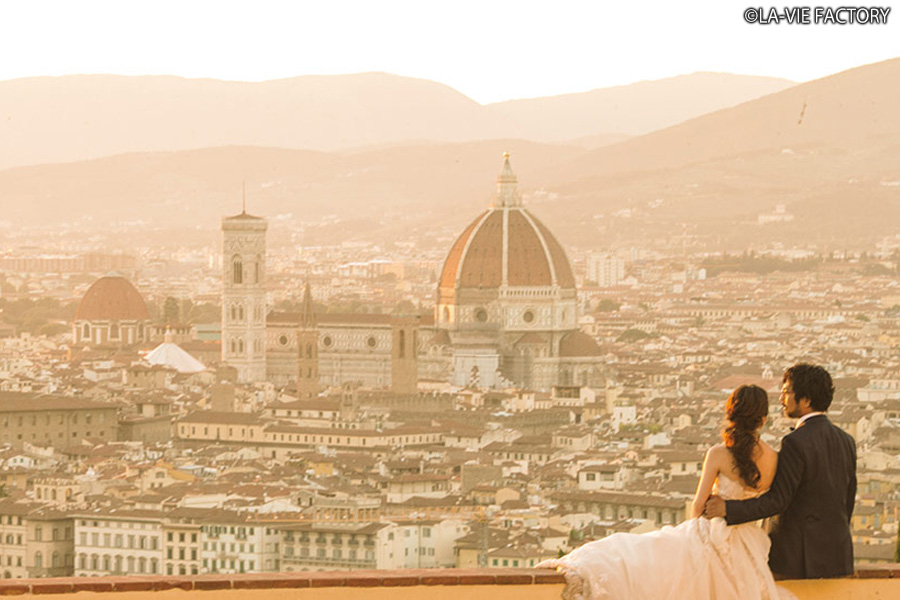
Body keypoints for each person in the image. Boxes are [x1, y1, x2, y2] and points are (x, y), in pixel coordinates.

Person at [538, 385, 793, 600]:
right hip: (751, 544)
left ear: (731, 414)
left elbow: (698, 507)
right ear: (762, 418)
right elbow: (770, 503)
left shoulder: (718, 454)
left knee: (637, 554)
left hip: (713, 531)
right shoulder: (774, 458)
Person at [705, 364, 857, 579]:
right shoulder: (846, 440)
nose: (782, 399)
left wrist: (727, 509)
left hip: (799, 558)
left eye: (787, 393)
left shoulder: (796, 442)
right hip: (838, 556)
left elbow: (778, 500)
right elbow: (848, 500)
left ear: (805, 400)